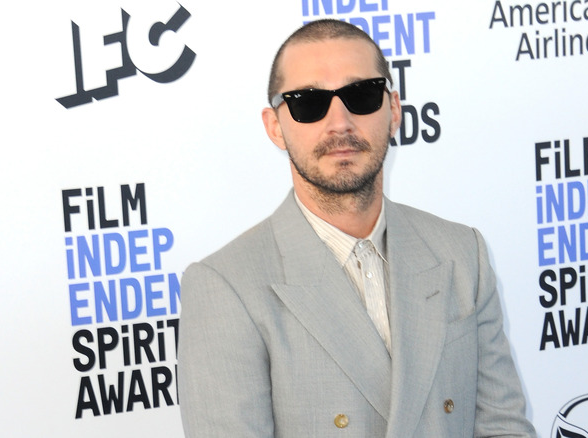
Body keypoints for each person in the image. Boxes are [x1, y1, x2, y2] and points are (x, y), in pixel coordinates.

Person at [178, 19, 536, 438]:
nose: (340, 122)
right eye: (308, 103)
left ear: (394, 110)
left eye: (361, 94)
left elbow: (504, 427)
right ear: (275, 126)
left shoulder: (461, 253)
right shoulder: (225, 288)